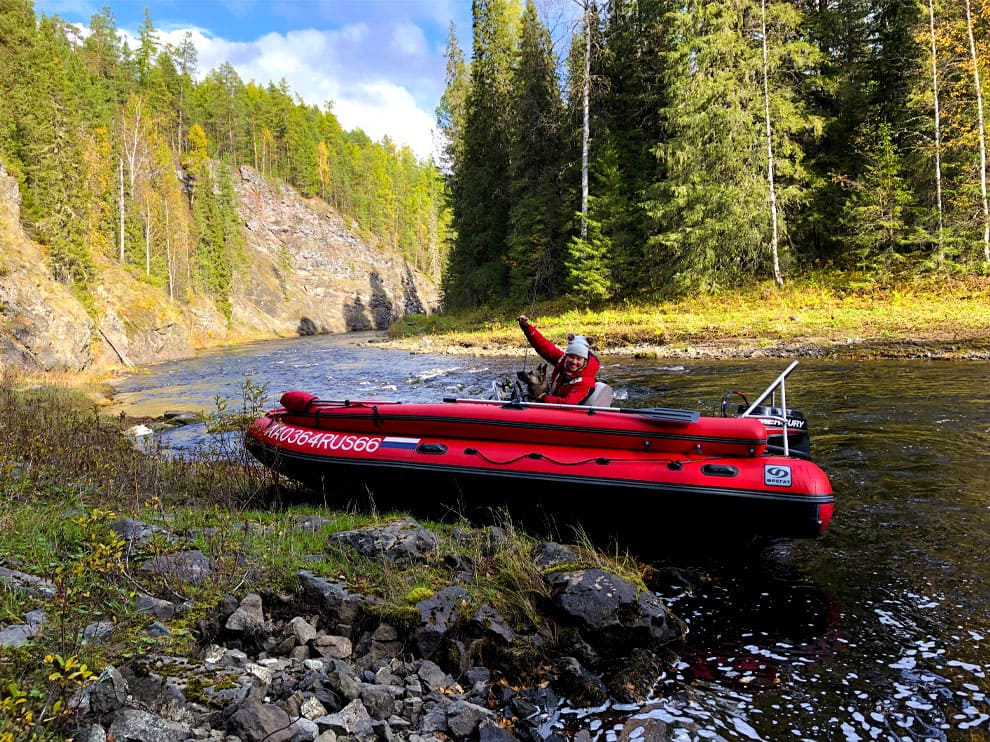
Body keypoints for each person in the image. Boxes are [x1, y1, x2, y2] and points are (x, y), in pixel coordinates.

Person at [517, 314, 600, 404]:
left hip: (568, 413)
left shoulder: (586, 382)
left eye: (579, 359)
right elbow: (543, 346)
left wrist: (545, 397)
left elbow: (568, 403)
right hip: (555, 402)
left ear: (585, 361)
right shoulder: (562, 361)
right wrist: (526, 326)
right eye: (571, 357)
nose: (574, 361)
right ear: (566, 355)